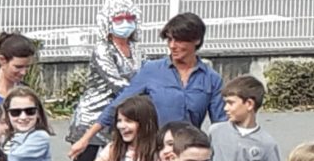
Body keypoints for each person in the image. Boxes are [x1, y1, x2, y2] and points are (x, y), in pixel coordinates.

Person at [62, 0, 144, 161]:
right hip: (93, 117)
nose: (125, 23)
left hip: (123, 117)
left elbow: (146, 74)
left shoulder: (137, 49)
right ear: (108, 22)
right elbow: (118, 83)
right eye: (119, 19)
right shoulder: (102, 50)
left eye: (130, 18)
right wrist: (144, 91)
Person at [91, 11, 226, 135]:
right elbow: (119, 103)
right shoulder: (151, 70)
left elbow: (221, 124)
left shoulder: (212, 79)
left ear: (196, 40)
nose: (172, 46)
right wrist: (87, 137)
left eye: (179, 40)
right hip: (155, 147)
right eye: (169, 40)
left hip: (188, 148)